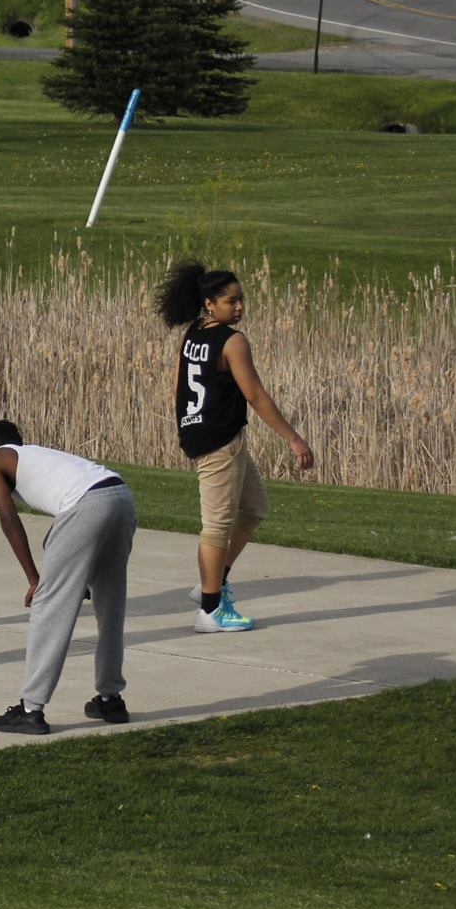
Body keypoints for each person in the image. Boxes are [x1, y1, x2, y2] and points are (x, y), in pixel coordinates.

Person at [154, 260, 315, 634]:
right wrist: (293, 438)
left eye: (241, 299)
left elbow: (179, 383)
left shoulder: (195, 332)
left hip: (207, 434)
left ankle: (211, 582)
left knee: (254, 508)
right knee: (217, 525)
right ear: (209, 303)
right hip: (219, 441)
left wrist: (186, 427)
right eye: (231, 301)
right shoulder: (232, 340)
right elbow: (255, 395)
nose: (239, 307)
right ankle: (210, 610)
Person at [0, 420, 138, 735]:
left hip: (87, 504)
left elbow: (8, 517)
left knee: (49, 607)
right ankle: (110, 698)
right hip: (120, 495)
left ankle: (30, 709)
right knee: (110, 605)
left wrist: (35, 579)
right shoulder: (38, 455)